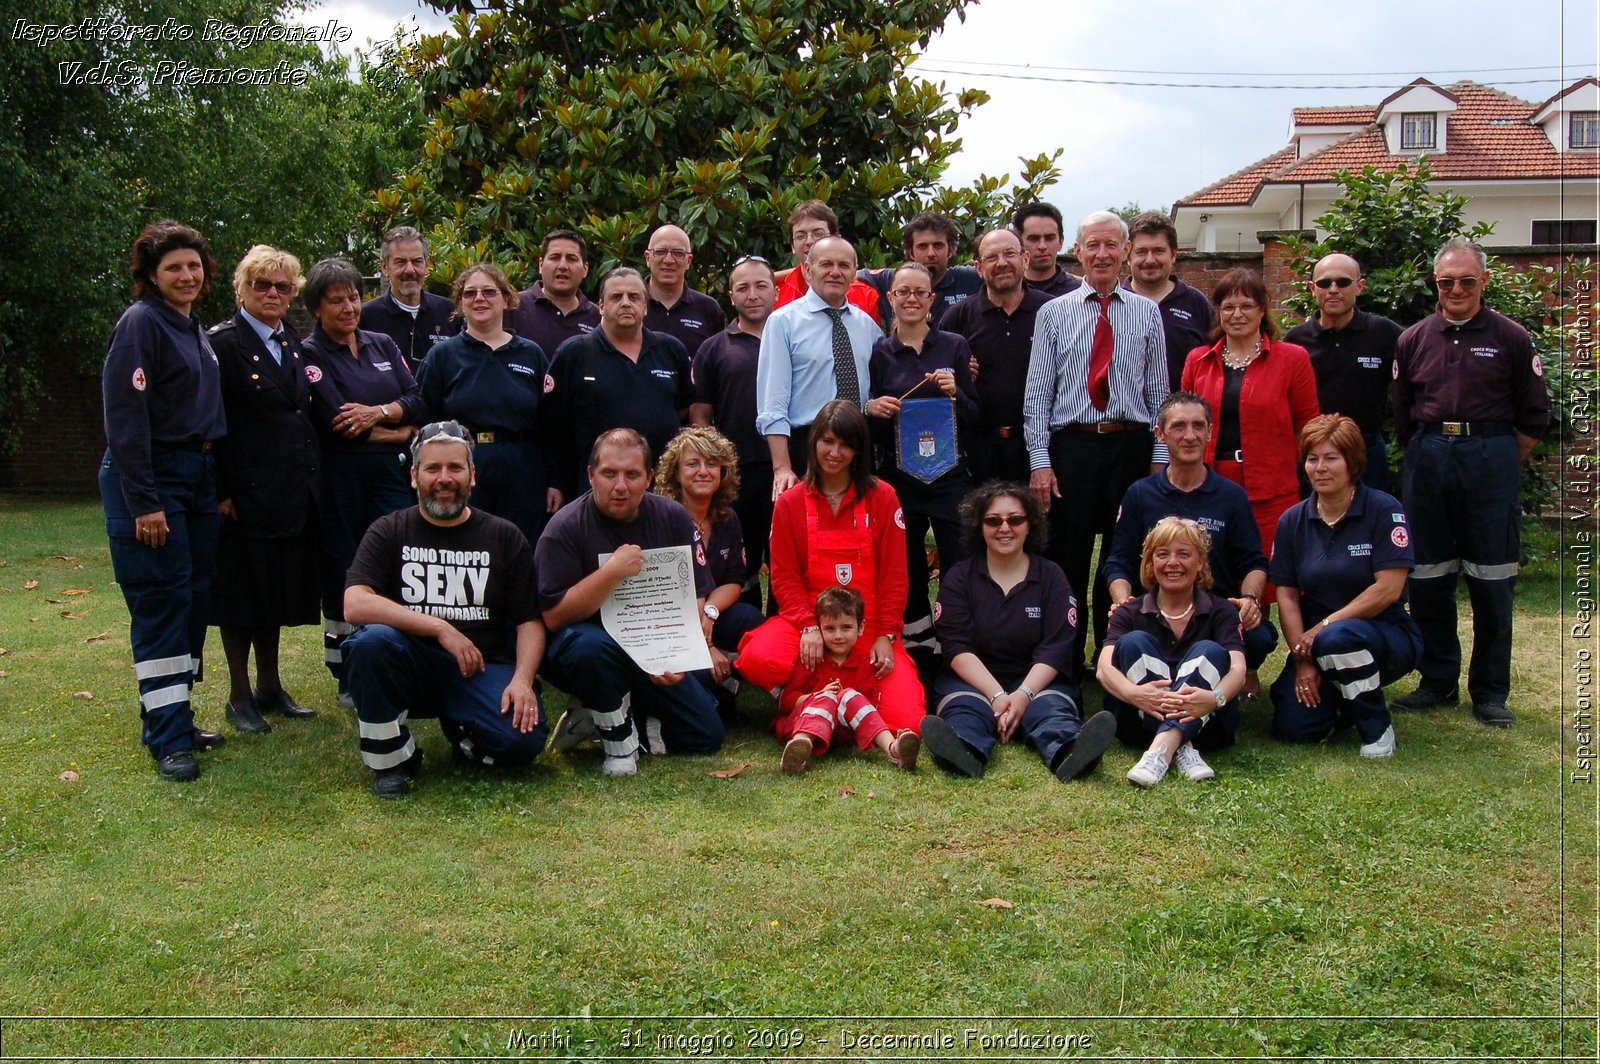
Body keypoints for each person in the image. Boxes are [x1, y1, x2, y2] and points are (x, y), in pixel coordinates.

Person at [1390, 238, 1550, 727]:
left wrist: (1497, 458)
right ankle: (1437, 681)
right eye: (1445, 281)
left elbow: (1534, 414)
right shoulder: (1413, 338)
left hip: (1490, 458)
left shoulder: (1511, 337)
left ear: (1483, 281)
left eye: (1465, 280)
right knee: (1429, 576)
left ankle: (1489, 692)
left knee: (1492, 578)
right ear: (1434, 284)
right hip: (1429, 456)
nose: (1455, 289)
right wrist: (1430, 450)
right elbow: (1400, 413)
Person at [343, 423, 546, 798]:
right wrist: (438, 627)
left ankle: (464, 732)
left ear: (473, 477)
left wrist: (522, 680)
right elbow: (355, 602)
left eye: (455, 468)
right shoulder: (389, 530)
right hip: (410, 664)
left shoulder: (505, 536)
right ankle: (391, 761)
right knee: (370, 643)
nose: (444, 479)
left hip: (481, 666)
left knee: (524, 742)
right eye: (432, 469)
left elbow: (529, 620)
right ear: (414, 477)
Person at [99, 220, 227, 782]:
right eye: (174, 266)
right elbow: (126, 419)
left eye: (194, 265)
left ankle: (169, 713)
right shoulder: (140, 324)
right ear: (151, 274)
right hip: (153, 477)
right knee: (161, 600)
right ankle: (170, 740)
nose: (187, 275)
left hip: (197, 474)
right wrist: (144, 501)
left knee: (194, 599)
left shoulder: (190, 327)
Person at [1023, 209, 1170, 674]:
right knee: (1066, 559)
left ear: (1125, 252)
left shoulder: (1148, 313)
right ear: (1079, 252)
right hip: (1073, 449)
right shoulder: (1053, 313)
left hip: (1130, 448)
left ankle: (1116, 655)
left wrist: (1159, 461)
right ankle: (1063, 661)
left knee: (1122, 559)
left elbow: (1158, 393)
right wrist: (1040, 462)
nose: (1103, 254)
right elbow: (1037, 397)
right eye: (1094, 245)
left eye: (1112, 245)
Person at [536, 429, 723, 777]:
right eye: (609, 473)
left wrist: (676, 653)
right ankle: (617, 738)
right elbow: (553, 617)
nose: (620, 485)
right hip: (591, 651)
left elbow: (696, 594)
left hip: (653, 652)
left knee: (706, 735)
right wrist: (610, 574)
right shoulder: (563, 528)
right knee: (587, 649)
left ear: (649, 478)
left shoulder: (672, 517)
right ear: (591, 475)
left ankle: (599, 717)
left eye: (632, 474)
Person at [737, 400, 925, 731]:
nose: (835, 452)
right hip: (807, 625)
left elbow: (896, 577)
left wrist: (886, 635)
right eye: (827, 441)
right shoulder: (790, 503)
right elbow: (784, 578)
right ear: (813, 443)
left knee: (906, 720)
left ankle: (827, 704)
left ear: (859, 450)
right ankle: (804, 699)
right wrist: (810, 627)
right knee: (758, 658)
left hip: (865, 628)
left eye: (845, 444)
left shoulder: (884, 497)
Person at [920, 483, 1117, 781]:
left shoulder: (1051, 576)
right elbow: (956, 647)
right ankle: (962, 751)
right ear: (979, 526)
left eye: (1015, 519)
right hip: (974, 681)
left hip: (1036, 681)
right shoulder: (959, 577)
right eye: (993, 520)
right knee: (964, 713)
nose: (1004, 528)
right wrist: (998, 695)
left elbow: (1057, 646)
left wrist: (1023, 695)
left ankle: (1072, 752)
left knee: (1053, 713)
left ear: (1030, 525)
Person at [300, 257, 426, 706]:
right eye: (336, 301)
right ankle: (346, 669)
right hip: (340, 476)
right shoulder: (310, 354)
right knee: (345, 564)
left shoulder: (381, 343)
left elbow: (417, 400)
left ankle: (390, 653)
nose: (349, 307)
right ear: (317, 307)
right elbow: (338, 421)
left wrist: (380, 414)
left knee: (393, 560)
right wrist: (400, 428)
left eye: (353, 297)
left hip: (389, 473)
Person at [206, 244, 321, 735]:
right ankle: (238, 694)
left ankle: (269, 686)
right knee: (241, 596)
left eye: (282, 286)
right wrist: (220, 491)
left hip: (288, 492)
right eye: (261, 285)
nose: (272, 293)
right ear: (242, 289)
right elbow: (210, 425)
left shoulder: (291, 341)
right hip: (243, 494)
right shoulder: (221, 344)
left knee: (274, 592)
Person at [1106, 391, 1276, 704]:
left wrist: (1251, 599)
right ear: (1160, 434)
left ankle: (1214, 679)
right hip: (1156, 611)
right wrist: (1122, 601)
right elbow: (1118, 561)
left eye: (1199, 426)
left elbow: (1253, 561)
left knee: (1260, 636)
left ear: (1211, 432)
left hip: (1214, 613)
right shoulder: (1140, 494)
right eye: (1179, 426)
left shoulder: (1231, 496)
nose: (1190, 436)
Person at [1270, 415, 1421, 759]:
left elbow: (1388, 589)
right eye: (1312, 459)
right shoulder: (1292, 520)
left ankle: (1376, 729)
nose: (1320, 468)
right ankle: (1345, 702)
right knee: (1294, 729)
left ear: (1352, 463)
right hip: (1313, 640)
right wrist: (1303, 660)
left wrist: (1325, 626)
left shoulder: (1384, 510)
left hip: (1381, 633)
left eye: (1331, 458)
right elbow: (1287, 596)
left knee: (1338, 639)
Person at [866, 261, 977, 678]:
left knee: (959, 561)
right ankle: (917, 645)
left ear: (932, 300)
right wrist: (872, 409)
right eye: (902, 292)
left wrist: (957, 394)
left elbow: (975, 415)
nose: (911, 299)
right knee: (905, 567)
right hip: (899, 480)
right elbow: (870, 423)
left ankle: (957, 643)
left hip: (950, 478)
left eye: (920, 292)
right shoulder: (878, 352)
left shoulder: (954, 345)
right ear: (890, 299)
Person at [415, 263, 562, 546]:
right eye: (470, 293)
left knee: (520, 546)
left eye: (488, 292)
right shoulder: (442, 356)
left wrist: (555, 480)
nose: (479, 298)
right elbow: (424, 421)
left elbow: (550, 424)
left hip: (524, 467)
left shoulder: (531, 354)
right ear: (460, 303)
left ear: (506, 299)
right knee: (467, 546)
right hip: (465, 465)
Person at [1181, 268, 1319, 566]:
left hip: (1272, 485)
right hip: (1209, 482)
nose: (1237, 314)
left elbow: (1308, 427)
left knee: (1267, 570)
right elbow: (1183, 422)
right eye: (1228, 307)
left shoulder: (1293, 359)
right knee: (1209, 565)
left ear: (1262, 309)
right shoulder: (1198, 360)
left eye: (1246, 306)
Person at [1098, 517, 1247, 787]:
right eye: (1163, 554)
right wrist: (1134, 694)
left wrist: (1215, 698)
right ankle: (1181, 746)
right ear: (1151, 563)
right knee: (1133, 642)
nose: (1173, 563)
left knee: (1209, 650)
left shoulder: (1222, 611)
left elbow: (1238, 669)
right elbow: (1103, 668)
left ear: (1200, 562)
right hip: (1140, 722)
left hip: (1208, 725)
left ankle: (1160, 751)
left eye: (1184, 554)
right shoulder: (1128, 612)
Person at [547, 267, 694, 494]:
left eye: (634, 297)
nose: (626, 303)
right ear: (601, 306)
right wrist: (556, 483)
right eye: (616, 297)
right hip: (596, 487)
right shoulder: (575, 353)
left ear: (645, 306)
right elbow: (553, 426)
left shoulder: (670, 349)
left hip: (663, 485)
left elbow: (684, 409)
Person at [756, 237, 883, 493]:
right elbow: (773, 403)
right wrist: (782, 467)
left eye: (844, 265)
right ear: (807, 270)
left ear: (853, 274)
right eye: (826, 264)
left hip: (857, 445)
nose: (835, 272)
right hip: (806, 447)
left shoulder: (867, 326)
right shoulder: (783, 322)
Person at [653, 427, 765, 707]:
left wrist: (711, 613)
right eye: (693, 464)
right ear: (676, 473)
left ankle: (725, 677)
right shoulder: (662, 518)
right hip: (670, 624)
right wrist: (708, 646)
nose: (703, 471)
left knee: (749, 619)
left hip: (707, 615)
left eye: (711, 464)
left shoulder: (728, 518)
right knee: (712, 700)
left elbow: (735, 579)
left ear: (723, 472)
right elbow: (670, 596)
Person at [689, 255, 778, 607]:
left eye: (761, 286)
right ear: (730, 294)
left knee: (786, 554)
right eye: (743, 287)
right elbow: (700, 415)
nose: (753, 294)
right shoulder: (714, 347)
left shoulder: (794, 337)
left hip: (789, 469)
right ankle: (744, 626)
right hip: (737, 473)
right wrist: (714, 466)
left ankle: (784, 628)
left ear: (775, 291)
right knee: (743, 557)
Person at [941, 227, 1053, 484]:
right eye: (992, 257)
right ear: (979, 267)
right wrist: (957, 376)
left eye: (1009, 254)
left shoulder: (1050, 311)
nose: (1002, 263)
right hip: (977, 448)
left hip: (1038, 447)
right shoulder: (958, 317)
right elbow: (938, 372)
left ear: (1024, 259)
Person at [1284, 253, 1402, 493]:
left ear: (1359, 286)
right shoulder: (1295, 341)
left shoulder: (1385, 333)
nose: (1333, 289)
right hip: (1313, 456)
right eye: (1325, 283)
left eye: (1343, 282)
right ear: (1312, 288)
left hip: (1366, 453)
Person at [774, 587, 921, 774]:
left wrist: (843, 699)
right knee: (826, 698)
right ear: (819, 629)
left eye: (846, 627)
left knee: (849, 695)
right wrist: (818, 695)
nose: (838, 636)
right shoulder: (810, 660)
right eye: (829, 628)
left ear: (860, 628)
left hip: (842, 732)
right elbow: (785, 703)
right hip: (801, 723)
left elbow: (869, 709)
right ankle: (798, 749)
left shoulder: (864, 665)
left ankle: (894, 748)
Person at [1122, 212, 1214, 391]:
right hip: (1130, 418)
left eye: (1159, 251)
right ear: (1128, 255)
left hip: (1185, 415)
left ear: (1173, 255)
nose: (1150, 260)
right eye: (1141, 252)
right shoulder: (1113, 304)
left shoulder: (1196, 303)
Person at [358, 226, 458, 370]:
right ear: (384, 267)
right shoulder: (366, 317)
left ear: (426, 265)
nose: (410, 270)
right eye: (400, 262)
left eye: (417, 261)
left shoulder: (448, 311)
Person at [860, 212, 981, 328]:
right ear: (911, 252)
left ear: (950, 249)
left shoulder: (969, 278)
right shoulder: (893, 280)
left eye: (938, 245)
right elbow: (850, 275)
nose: (931, 253)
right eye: (922, 246)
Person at [772, 200, 881, 317]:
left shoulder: (865, 296)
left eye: (818, 233)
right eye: (800, 236)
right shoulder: (776, 296)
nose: (809, 241)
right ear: (793, 246)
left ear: (836, 239)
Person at [507, 229, 600, 356]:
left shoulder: (597, 317)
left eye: (571, 259)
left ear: (585, 269)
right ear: (540, 265)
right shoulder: (514, 307)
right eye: (555, 257)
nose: (563, 266)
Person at [642, 223, 725, 357]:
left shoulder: (708, 309)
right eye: (660, 251)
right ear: (648, 258)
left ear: (688, 261)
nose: (668, 260)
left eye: (678, 253)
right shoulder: (631, 304)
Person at [1012, 202, 1081, 297]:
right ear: (1020, 243)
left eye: (1049, 238)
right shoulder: (1009, 291)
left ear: (1061, 241)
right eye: (1034, 238)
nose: (1042, 246)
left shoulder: (1080, 291)